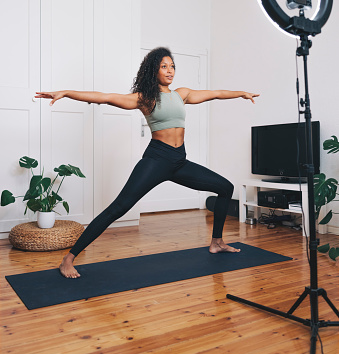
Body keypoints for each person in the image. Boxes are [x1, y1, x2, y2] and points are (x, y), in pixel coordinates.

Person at [36, 47, 259, 278]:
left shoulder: (181, 94)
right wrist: (65, 93)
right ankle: (68, 259)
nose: (170, 70)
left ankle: (217, 242)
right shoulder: (144, 98)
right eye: (164, 66)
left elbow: (215, 93)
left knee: (225, 188)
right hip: (156, 159)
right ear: (154, 70)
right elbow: (104, 97)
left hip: (179, 161)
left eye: (172, 66)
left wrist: (241, 93)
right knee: (118, 208)